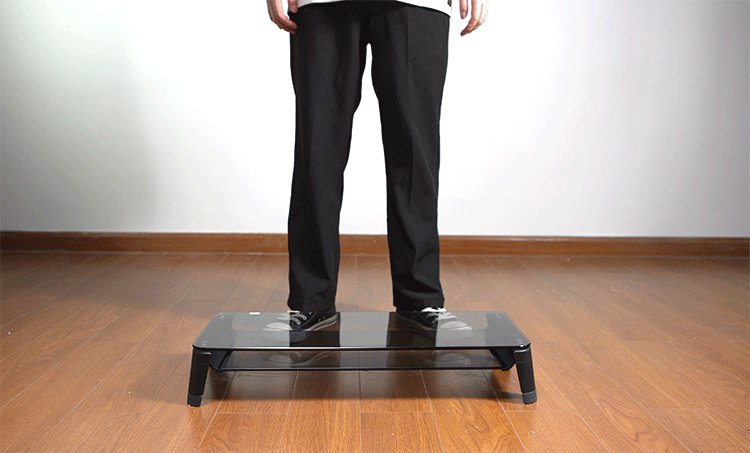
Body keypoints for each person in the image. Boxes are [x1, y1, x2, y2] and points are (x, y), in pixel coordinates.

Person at [264, 0, 489, 335]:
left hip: (418, 4)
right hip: (322, 4)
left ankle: (420, 299)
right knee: (317, 150)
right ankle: (310, 300)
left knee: (415, 153)